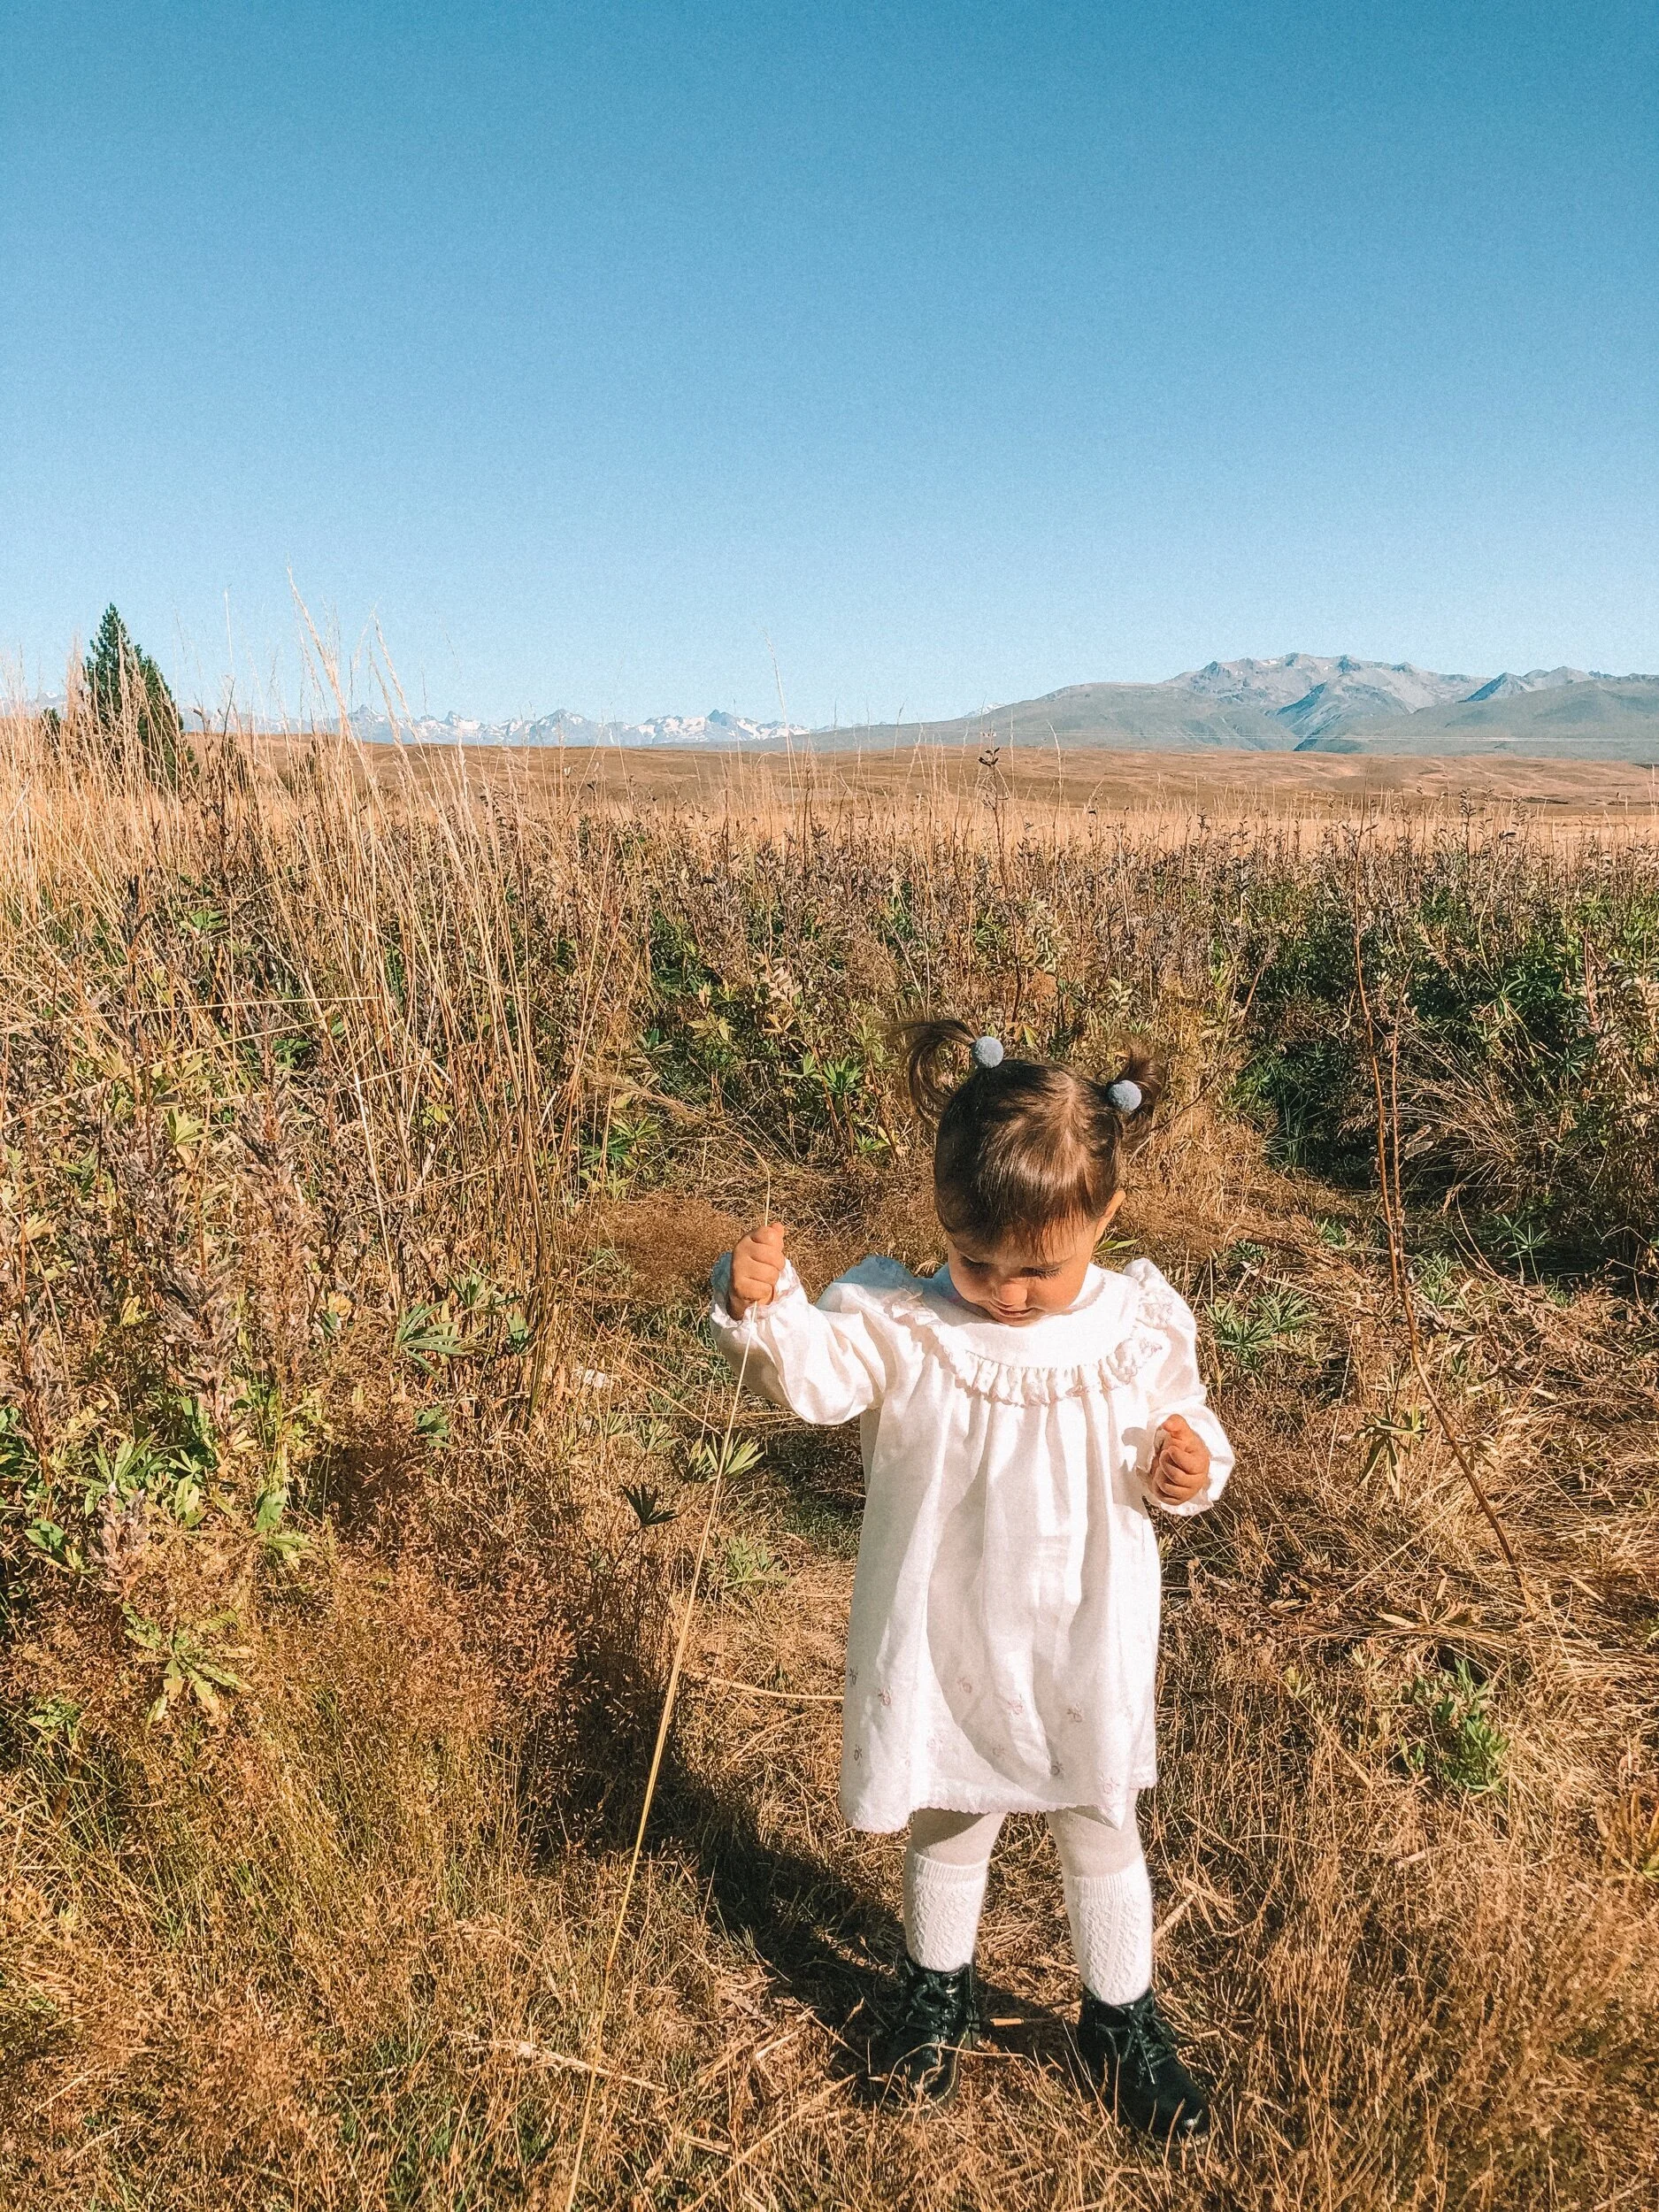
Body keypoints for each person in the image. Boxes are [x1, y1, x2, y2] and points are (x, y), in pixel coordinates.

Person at [708, 1020, 1233, 2138]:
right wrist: (763, 1303)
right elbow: (815, 1377)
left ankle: (1118, 2013)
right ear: (945, 1224)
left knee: (1101, 1815)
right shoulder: (907, 1323)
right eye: (976, 1259)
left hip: (1082, 1627)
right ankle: (933, 1989)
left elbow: (1178, 1432)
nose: (1003, 1293)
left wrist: (1186, 1464)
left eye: (1036, 1268)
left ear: (1104, 1218)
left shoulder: (1134, 1330)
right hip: (950, 1623)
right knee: (951, 1814)